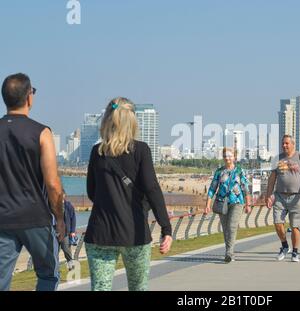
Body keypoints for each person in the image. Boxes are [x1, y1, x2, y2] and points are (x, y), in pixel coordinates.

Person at [85, 97, 172, 291]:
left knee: (100, 288)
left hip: (100, 233)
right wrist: (166, 228)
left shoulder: (96, 152)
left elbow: (92, 192)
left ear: (107, 120)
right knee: (138, 287)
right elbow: (152, 190)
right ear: (132, 121)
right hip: (134, 233)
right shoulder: (141, 150)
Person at [0, 73, 65, 291]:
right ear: (29, 97)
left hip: (2, 219)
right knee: (48, 275)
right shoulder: (41, 133)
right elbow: (53, 185)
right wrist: (60, 219)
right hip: (36, 217)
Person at [265, 135, 300, 262]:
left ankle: (295, 252)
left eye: (286, 143)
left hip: (297, 197)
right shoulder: (277, 159)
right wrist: (268, 195)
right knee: (277, 223)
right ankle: (285, 246)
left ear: (292, 144)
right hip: (280, 196)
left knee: (295, 226)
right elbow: (272, 179)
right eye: (283, 143)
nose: (284, 146)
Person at [205, 147, 252, 263]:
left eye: (230, 156)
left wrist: (248, 204)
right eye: (226, 156)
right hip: (222, 203)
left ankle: (229, 253)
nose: (228, 158)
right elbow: (212, 189)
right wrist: (207, 205)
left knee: (232, 227)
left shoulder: (239, 171)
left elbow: (246, 189)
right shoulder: (219, 172)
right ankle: (229, 251)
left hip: (237, 202)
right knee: (226, 228)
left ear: (234, 157)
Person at [60, 191, 77, 271]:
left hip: (65, 232)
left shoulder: (68, 205)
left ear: (64, 195)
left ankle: (71, 265)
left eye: (62, 194)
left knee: (66, 249)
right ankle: (55, 271)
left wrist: (72, 231)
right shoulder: (53, 205)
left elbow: (73, 218)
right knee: (54, 252)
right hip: (55, 232)